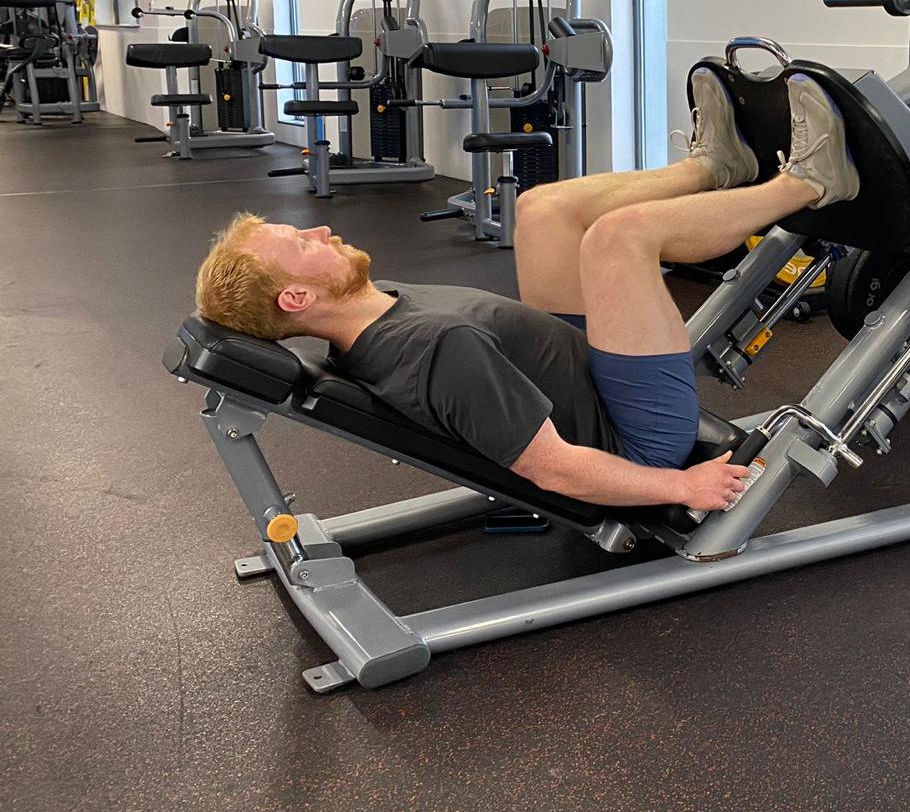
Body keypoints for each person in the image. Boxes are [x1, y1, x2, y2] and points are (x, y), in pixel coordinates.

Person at [193, 72, 858, 512]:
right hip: (633, 436)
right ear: (296, 302)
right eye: (302, 246)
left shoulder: (367, 312)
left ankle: (713, 167)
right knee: (617, 239)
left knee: (539, 209)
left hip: (574, 371)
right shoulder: (432, 351)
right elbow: (556, 472)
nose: (323, 231)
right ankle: (810, 186)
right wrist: (680, 483)